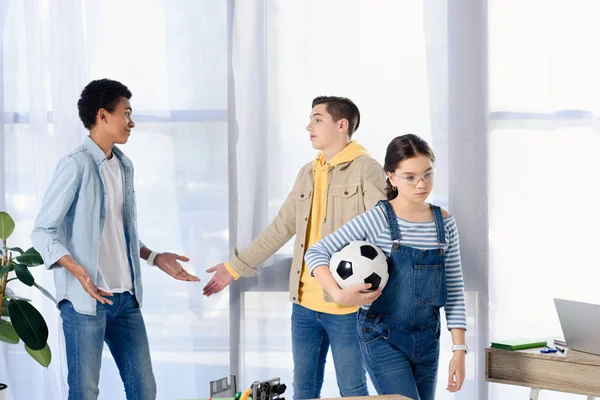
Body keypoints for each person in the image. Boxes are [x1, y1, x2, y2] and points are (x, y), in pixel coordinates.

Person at [202, 96, 386, 399]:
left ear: (342, 125)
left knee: (353, 391)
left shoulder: (367, 169)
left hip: (347, 307)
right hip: (303, 305)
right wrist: (234, 268)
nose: (308, 126)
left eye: (317, 119)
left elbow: (383, 233)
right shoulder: (308, 172)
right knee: (304, 390)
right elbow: (281, 228)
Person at [31, 79, 199, 400]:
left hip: (125, 301)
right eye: (126, 113)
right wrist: (76, 269)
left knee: (144, 390)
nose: (132, 122)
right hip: (85, 303)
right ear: (103, 115)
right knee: (85, 392)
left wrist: (154, 257)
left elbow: (120, 231)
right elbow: (42, 230)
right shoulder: (75, 164)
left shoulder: (123, 165)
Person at [305, 134, 467, 400]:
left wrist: (459, 350)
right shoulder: (379, 218)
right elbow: (316, 252)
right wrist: (338, 293)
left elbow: (454, 289)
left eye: (428, 174)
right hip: (382, 336)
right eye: (410, 176)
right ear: (391, 177)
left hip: (428, 338)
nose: (421, 184)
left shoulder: (445, 223)